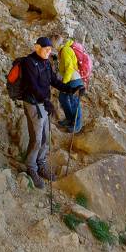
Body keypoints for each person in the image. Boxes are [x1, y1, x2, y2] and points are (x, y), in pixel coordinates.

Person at [21, 37, 79, 188]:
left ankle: (41, 163)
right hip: (34, 104)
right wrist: (46, 101)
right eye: (46, 49)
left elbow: (54, 80)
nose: (49, 52)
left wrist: (71, 89)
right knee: (37, 137)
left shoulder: (46, 62)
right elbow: (33, 86)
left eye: (50, 50)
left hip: (44, 103)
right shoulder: (28, 63)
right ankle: (31, 168)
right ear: (37, 48)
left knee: (46, 136)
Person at [56, 39, 84, 133]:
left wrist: (63, 84)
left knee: (74, 101)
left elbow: (69, 68)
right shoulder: (62, 52)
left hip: (74, 80)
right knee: (62, 97)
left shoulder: (65, 50)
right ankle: (69, 119)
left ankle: (77, 126)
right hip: (71, 80)